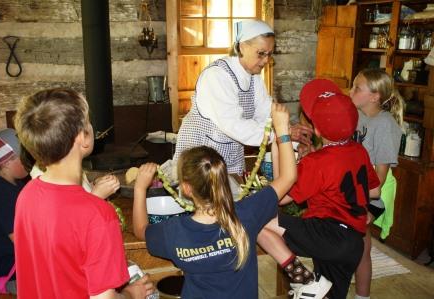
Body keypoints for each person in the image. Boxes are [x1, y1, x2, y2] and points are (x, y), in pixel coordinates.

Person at [133, 103, 297, 298]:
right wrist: (282, 131)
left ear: (186, 189)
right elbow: (287, 177)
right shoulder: (246, 214)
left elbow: (141, 230)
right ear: (222, 179)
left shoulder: (174, 231)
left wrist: (140, 188)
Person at [13, 88, 153, 299]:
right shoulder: (98, 214)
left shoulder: (26, 195)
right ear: (83, 139)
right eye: (88, 122)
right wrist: (132, 294)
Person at [259, 79, 382, 299]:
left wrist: (281, 140)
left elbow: (279, 196)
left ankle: (302, 278)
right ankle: (314, 285)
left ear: (316, 128)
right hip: (354, 242)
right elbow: (375, 191)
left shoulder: (317, 161)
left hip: (328, 235)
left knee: (257, 221)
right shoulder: (358, 150)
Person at [173, 19, 312, 176]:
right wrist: (282, 134)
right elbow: (235, 125)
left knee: (233, 197)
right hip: (200, 156)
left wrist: (293, 141)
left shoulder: (253, 76)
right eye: (261, 53)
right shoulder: (216, 76)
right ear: (242, 47)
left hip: (228, 155)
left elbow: (266, 114)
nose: (266, 60)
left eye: (269, 54)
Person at [350, 69, 404, 299]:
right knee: (351, 240)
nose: (350, 91)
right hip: (355, 184)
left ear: (374, 97)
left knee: (362, 244)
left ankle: (363, 296)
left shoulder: (385, 125)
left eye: (357, 88)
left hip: (374, 190)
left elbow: (379, 178)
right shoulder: (357, 114)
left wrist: (364, 204)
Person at [0, 128, 28, 294]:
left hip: (5, 265)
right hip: (10, 272)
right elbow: (23, 243)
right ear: (7, 162)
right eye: (24, 157)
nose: (29, 160)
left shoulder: (9, 184)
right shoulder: (1, 194)